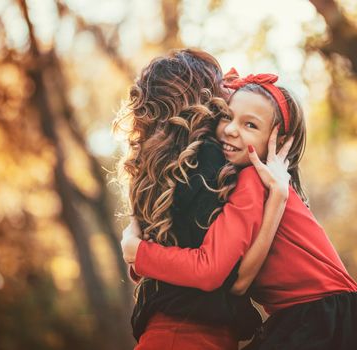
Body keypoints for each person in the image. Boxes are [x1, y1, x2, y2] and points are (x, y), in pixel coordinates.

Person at [122, 71, 357, 349]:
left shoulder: (252, 179)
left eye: (250, 125)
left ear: (279, 141)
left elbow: (229, 278)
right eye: (226, 116)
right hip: (329, 315)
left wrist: (140, 254)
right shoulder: (260, 184)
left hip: (322, 318)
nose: (231, 130)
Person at [115, 51, 293, 349]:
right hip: (188, 337)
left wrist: (138, 255)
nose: (228, 92)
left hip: (167, 333)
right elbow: (212, 271)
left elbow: (151, 259)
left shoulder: (157, 168)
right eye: (221, 88)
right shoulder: (212, 160)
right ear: (203, 96)